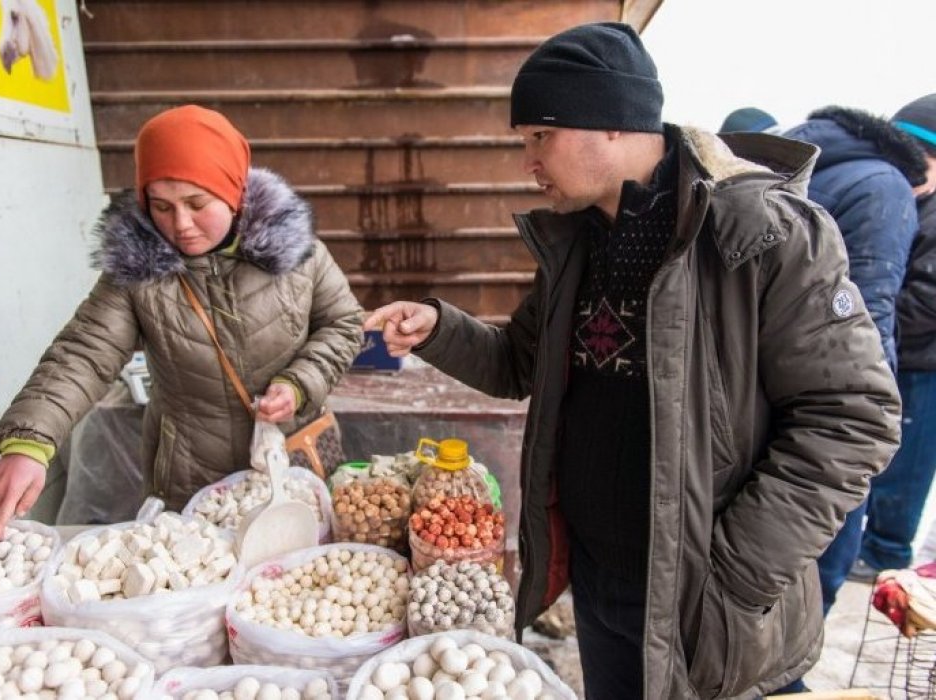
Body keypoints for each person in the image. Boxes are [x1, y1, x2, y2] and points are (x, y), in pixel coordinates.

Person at [365, 22, 901, 699]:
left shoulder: (762, 234)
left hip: (711, 599)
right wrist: (439, 328)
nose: (527, 160)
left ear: (612, 122)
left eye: (539, 137)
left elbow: (853, 418)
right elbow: (519, 363)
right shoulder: (579, 241)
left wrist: (734, 576)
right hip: (602, 581)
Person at [0, 105, 364, 538]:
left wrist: (300, 383)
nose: (179, 224)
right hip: (190, 478)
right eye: (161, 206)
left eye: (196, 203)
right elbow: (84, 353)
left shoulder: (300, 254)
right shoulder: (136, 273)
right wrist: (29, 442)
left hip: (293, 462)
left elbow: (344, 324)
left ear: (235, 191)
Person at [784, 106, 928, 616]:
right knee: (822, 549)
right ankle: (785, 685)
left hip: (763, 388)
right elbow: (871, 310)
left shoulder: (799, 164)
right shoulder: (885, 189)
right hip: (828, 397)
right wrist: (876, 419)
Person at [849, 94, 936, 579]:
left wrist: (872, 311)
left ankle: (886, 549)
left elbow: (928, 298)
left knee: (908, 461)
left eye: (921, 161)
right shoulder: (903, 199)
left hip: (925, 361)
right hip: (900, 349)